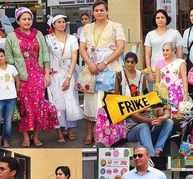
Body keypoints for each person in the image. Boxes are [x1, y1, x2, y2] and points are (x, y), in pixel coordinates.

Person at [7, 7, 58, 148]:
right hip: (21, 78)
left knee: (38, 107)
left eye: (29, 19)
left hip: (38, 76)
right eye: (24, 19)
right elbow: (9, 60)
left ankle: (36, 137)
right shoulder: (12, 37)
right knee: (24, 107)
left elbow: (45, 56)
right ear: (17, 21)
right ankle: (25, 137)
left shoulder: (38, 34)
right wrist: (14, 79)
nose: (27, 21)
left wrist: (46, 74)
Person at [77, 0, 126, 146]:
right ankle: (90, 134)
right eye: (96, 10)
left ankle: (109, 133)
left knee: (108, 102)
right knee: (90, 102)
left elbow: (121, 48)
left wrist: (104, 63)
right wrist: (90, 64)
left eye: (102, 10)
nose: (99, 12)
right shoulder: (86, 28)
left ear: (107, 11)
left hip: (110, 69)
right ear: (93, 12)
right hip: (91, 69)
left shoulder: (116, 26)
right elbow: (82, 48)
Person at [45, 15, 83, 143]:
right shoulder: (48, 39)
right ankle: (59, 132)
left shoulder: (72, 38)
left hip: (68, 72)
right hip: (54, 73)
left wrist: (68, 77)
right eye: (59, 22)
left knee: (70, 100)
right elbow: (45, 58)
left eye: (63, 22)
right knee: (56, 103)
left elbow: (74, 58)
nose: (62, 24)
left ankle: (70, 130)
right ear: (53, 24)